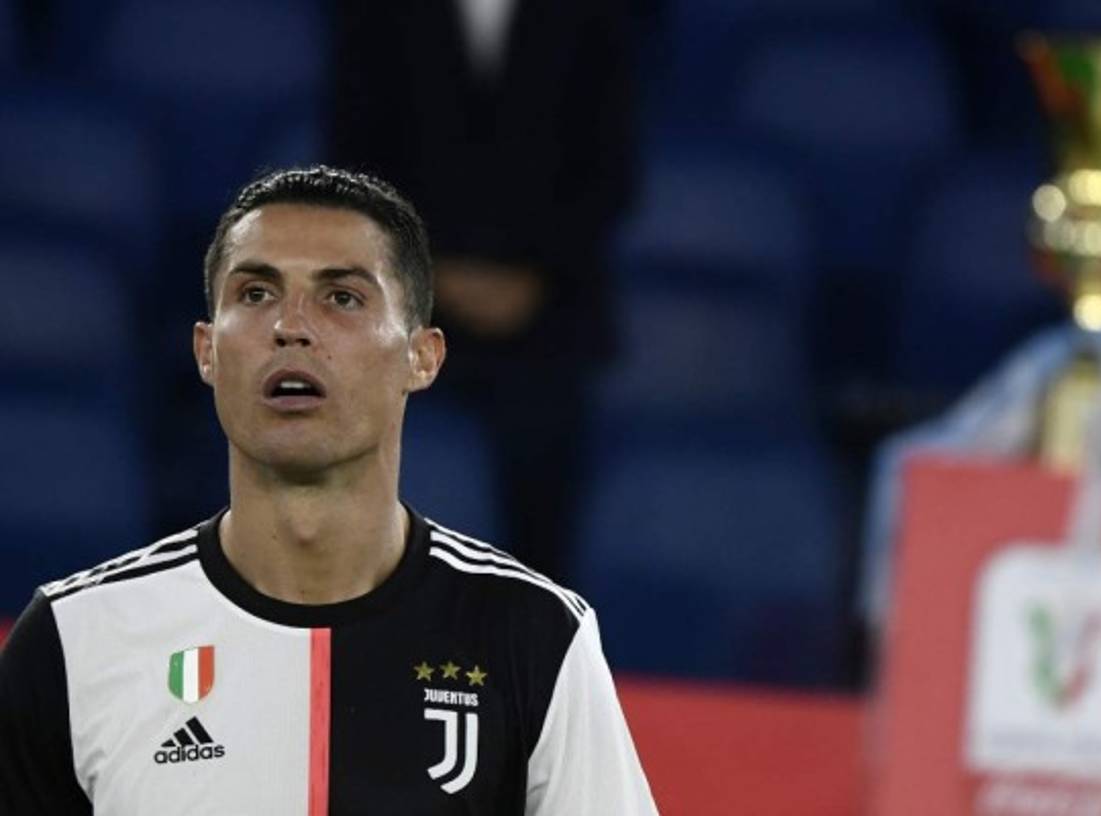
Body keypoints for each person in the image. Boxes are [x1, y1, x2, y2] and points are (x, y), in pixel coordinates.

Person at [0, 166, 657, 814]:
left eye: (341, 297)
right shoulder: (74, 639)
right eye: (256, 294)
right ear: (206, 351)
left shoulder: (534, 637)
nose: (291, 325)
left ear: (420, 356)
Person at [330, 0, 637, 581]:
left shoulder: (596, 16)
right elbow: (356, 157)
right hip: (405, 305)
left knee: (545, 501)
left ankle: (537, 652)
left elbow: (610, 172)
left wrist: (532, 276)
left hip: (550, 311)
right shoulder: (378, 15)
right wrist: (432, 274)